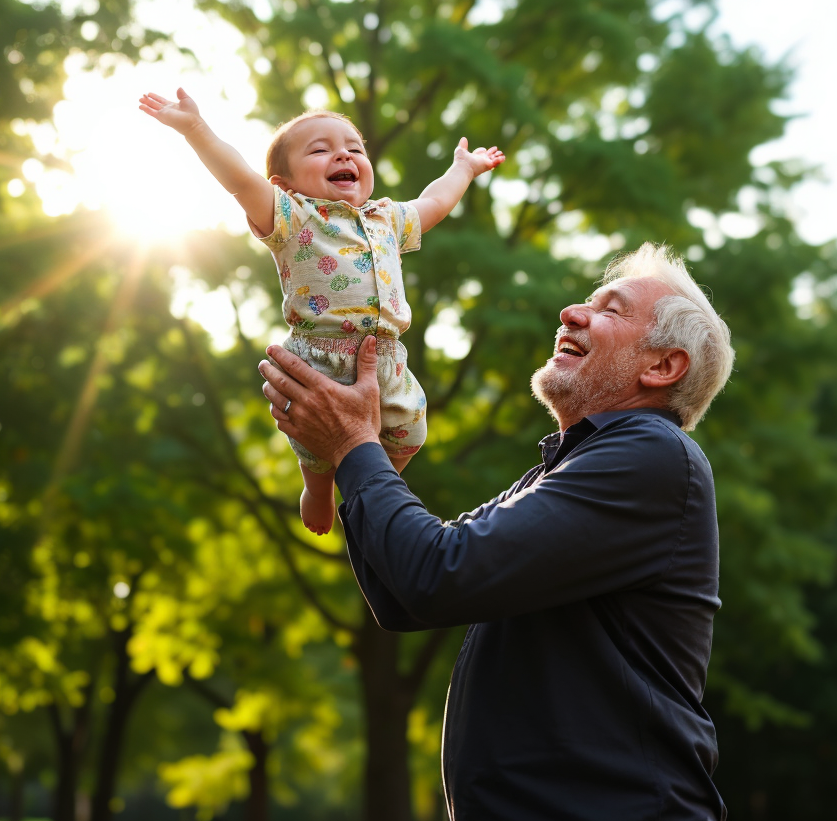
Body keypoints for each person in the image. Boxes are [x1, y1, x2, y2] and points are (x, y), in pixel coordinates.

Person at [258, 242, 735, 820]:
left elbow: (435, 574)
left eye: (610, 310)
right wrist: (351, 447)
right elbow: (402, 594)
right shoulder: (559, 472)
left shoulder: (652, 456)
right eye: (587, 300)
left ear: (662, 367)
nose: (571, 312)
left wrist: (356, 445)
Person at [139, 88, 503, 534]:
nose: (342, 155)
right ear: (283, 184)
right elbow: (240, 180)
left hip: (386, 355)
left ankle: (373, 489)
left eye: (353, 148)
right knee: (314, 444)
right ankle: (317, 487)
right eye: (321, 149)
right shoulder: (292, 217)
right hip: (321, 356)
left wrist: (462, 169)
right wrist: (196, 129)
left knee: (410, 431)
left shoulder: (385, 219)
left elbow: (434, 203)